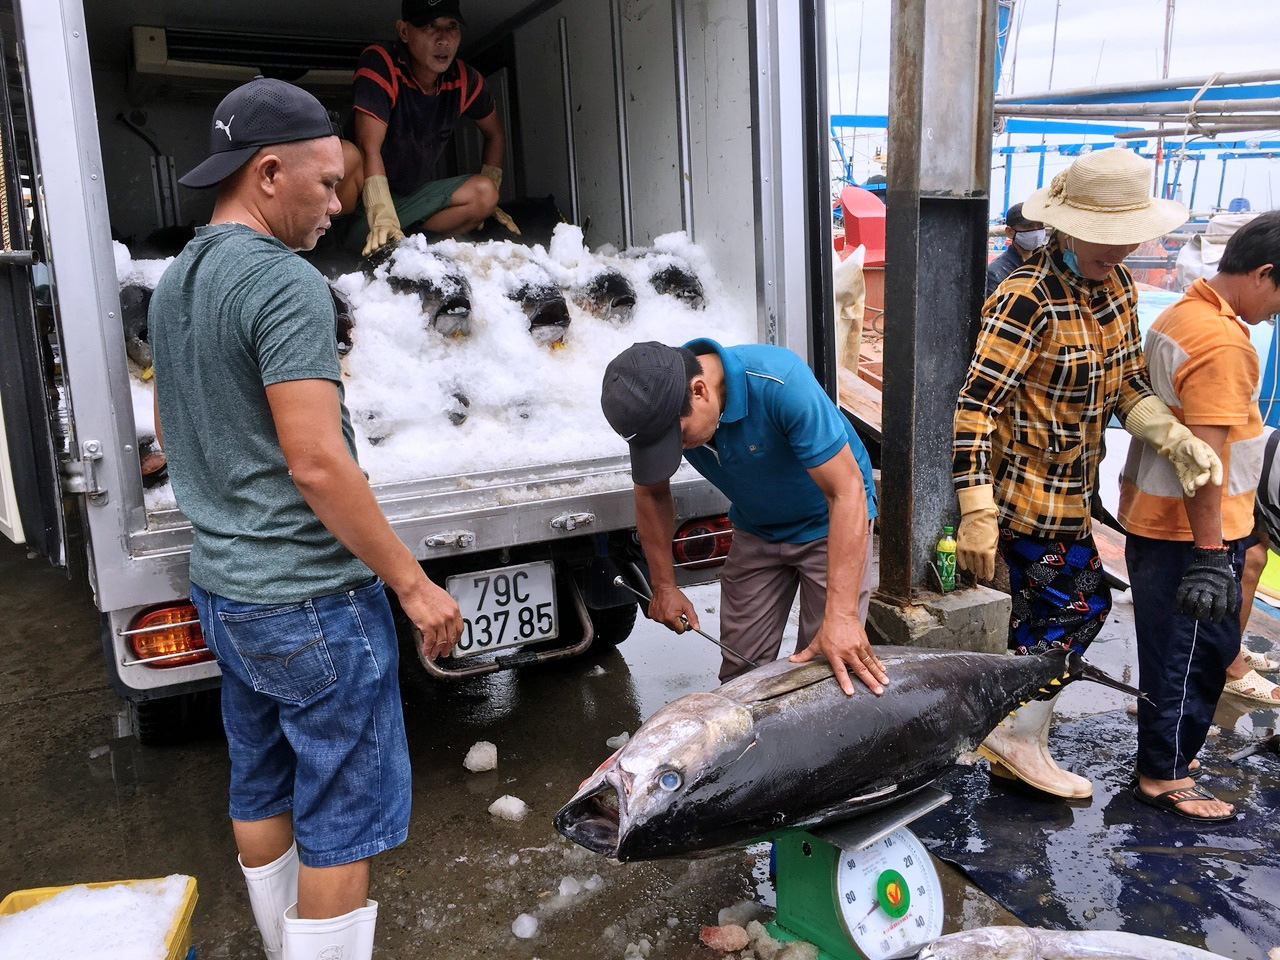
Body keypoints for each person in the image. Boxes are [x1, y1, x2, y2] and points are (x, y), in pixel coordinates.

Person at [152, 77, 463, 960]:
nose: (339, 205)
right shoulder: (284, 283)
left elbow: (177, 433)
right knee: (343, 820)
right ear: (268, 171)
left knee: (261, 786)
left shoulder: (178, 281)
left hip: (228, 590)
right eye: (327, 185)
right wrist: (411, 584)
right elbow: (318, 462)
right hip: (310, 600)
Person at [953, 146, 1218, 800]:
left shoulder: (1119, 286)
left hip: (1075, 491)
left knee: (1032, 623)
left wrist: (1167, 432)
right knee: (1081, 606)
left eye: (1125, 238)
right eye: (1103, 238)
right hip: (1024, 499)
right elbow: (976, 404)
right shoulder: (1027, 297)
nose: (1117, 250)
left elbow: (1127, 380)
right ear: (1066, 224)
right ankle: (1014, 735)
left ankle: (1003, 733)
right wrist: (976, 508)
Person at [600, 339, 888, 696]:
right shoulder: (658, 404)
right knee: (740, 675)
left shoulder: (780, 382)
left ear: (700, 390)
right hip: (757, 528)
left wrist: (842, 617)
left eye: (679, 438)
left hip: (828, 522)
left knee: (825, 667)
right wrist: (663, 586)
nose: (677, 449)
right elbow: (651, 491)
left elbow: (846, 492)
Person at [1117, 211, 1280, 821]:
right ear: (1263, 274)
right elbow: (1205, 459)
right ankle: (1164, 776)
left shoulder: (1180, 314)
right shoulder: (1223, 343)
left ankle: (1167, 750)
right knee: (1193, 652)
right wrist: (1212, 555)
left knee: (1170, 650)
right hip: (1191, 531)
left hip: (1157, 519)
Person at [340, 0, 514, 256]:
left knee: (485, 194)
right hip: (360, 199)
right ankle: (335, 240)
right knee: (346, 154)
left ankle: (412, 246)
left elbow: (495, 133)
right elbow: (369, 149)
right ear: (404, 32)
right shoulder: (382, 62)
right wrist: (381, 216)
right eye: (430, 26)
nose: (443, 39)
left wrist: (492, 194)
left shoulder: (465, 80)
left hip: (408, 201)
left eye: (451, 26)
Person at [984, 201, 1046, 298]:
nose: (1036, 232)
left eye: (1039, 225)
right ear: (1009, 232)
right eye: (1028, 226)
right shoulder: (996, 272)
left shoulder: (1047, 263)